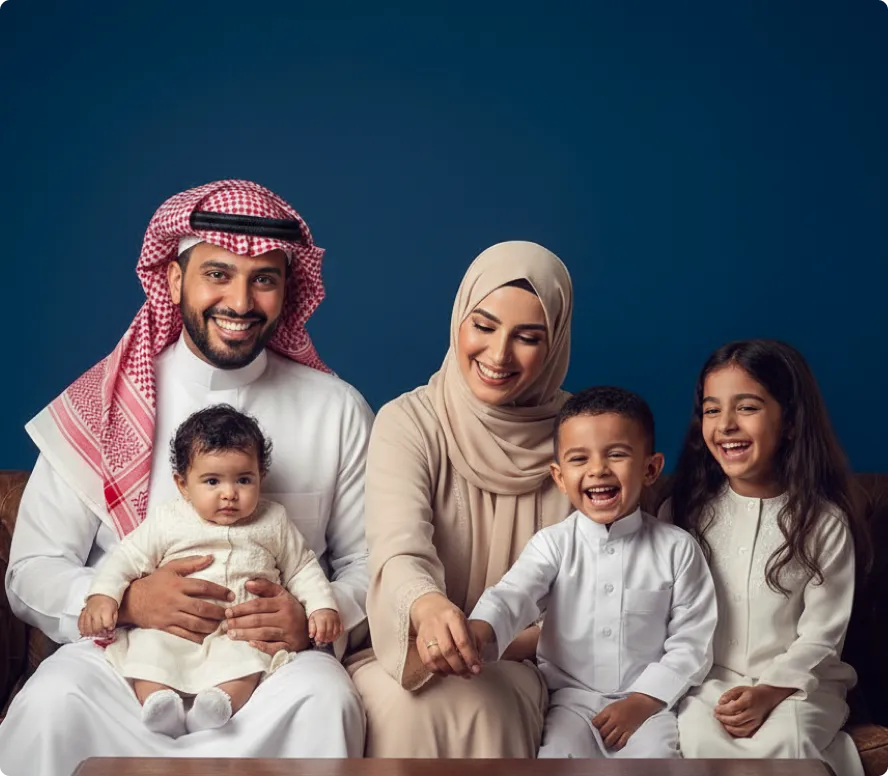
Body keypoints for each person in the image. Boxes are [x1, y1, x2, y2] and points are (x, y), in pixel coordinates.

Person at [1, 180, 373, 775]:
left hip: (264, 672)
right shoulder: (105, 402)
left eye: (264, 279)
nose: (242, 301)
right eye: (218, 274)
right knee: (50, 703)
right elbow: (31, 571)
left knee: (325, 700)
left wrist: (311, 620)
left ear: (287, 290)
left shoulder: (338, 409)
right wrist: (128, 601)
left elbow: (366, 564)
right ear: (174, 280)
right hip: (127, 664)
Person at [348, 241, 574, 757]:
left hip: (527, 661)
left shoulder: (582, 436)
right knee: (404, 707)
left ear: (556, 342)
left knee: (490, 702)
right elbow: (397, 547)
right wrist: (427, 609)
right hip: (409, 651)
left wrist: (489, 640)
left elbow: (604, 585)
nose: (498, 355)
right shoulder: (409, 421)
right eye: (484, 326)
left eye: (528, 337)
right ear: (459, 321)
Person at [468, 386, 717, 758]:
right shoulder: (552, 544)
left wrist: (642, 702)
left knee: (659, 762)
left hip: (650, 705)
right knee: (557, 758)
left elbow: (692, 641)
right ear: (559, 476)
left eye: (616, 454)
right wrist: (480, 628)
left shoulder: (677, 548)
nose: (598, 469)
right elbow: (514, 594)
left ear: (650, 468)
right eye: (579, 459)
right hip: (571, 702)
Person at [664, 339, 870, 776]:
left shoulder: (822, 522)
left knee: (790, 744)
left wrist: (769, 692)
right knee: (694, 735)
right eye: (712, 409)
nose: (726, 425)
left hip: (799, 688)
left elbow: (821, 635)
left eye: (748, 408)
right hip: (707, 684)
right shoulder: (684, 512)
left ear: (790, 422)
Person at [79, 405, 342, 737]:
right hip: (171, 630)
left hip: (240, 633)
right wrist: (103, 596)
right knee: (147, 654)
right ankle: (158, 703)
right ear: (183, 485)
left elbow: (302, 566)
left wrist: (321, 607)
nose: (229, 493)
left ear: (261, 476)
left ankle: (218, 705)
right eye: (212, 481)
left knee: (248, 663)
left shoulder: (273, 521)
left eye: (244, 480)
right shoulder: (168, 520)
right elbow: (124, 559)